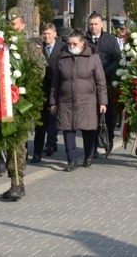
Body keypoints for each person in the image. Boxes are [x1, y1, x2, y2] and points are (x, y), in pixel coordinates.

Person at [0, 7, 46, 200]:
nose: (12, 27)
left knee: (17, 143)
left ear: (23, 25)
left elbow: (41, 69)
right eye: (9, 24)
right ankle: (14, 181)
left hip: (21, 103)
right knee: (6, 143)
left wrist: (23, 87)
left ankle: (17, 183)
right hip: (2, 101)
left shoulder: (28, 47)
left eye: (15, 23)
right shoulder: (0, 47)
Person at [49, 30, 107, 171]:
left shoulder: (93, 58)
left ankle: (88, 155)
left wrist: (102, 102)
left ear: (82, 44)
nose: (71, 45)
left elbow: (101, 81)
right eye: (69, 43)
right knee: (68, 130)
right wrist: (52, 101)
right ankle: (71, 161)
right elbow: (55, 83)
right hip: (66, 101)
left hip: (87, 101)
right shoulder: (61, 59)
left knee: (88, 130)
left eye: (75, 43)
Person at [85, 12, 121, 154]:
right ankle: (92, 146)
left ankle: (109, 138)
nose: (93, 27)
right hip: (89, 83)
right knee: (91, 116)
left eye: (95, 24)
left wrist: (105, 71)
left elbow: (118, 58)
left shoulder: (110, 39)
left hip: (107, 82)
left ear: (101, 24)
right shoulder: (84, 40)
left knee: (108, 113)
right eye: (91, 24)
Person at [30, 23, 62, 164]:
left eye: (49, 33)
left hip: (56, 88)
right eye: (44, 33)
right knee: (41, 121)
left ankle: (51, 143)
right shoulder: (39, 48)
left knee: (54, 117)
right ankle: (38, 152)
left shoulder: (62, 47)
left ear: (55, 34)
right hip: (41, 89)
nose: (46, 36)